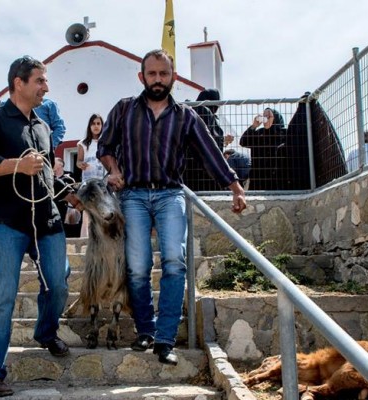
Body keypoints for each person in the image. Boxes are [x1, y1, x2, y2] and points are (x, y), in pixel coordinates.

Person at [98, 49, 247, 365]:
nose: (157, 79)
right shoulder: (124, 109)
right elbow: (105, 146)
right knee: (138, 267)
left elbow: (210, 153)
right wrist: (114, 169)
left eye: (163, 74)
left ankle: (165, 339)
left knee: (174, 261)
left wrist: (234, 186)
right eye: (152, 74)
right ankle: (145, 330)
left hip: (170, 195)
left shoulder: (186, 116)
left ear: (173, 78)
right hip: (133, 196)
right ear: (142, 77)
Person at [0, 56, 71, 397]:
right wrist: (15, 165)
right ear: (18, 83)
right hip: (7, 221)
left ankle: (45, 332)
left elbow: (44, 173)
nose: (46, 87)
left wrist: (68, 194)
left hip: (47, 220)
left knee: (59, 283)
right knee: (1, 297)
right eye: (40, 80)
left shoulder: (43, 127)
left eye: (45, 81)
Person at [0, 96, 67, 148]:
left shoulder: (49, 104)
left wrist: (48, 146)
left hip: (40, 152)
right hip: (17, 150)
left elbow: (60, 128)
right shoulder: (11, 105)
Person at [183, 88, 225, 191]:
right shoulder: (203, 111)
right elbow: (207, 137)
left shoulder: (191, 110)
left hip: (189, 166)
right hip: (204, 166)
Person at [239, 108, 287, 191]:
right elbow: (243, 142)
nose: (265, 118)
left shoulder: (284, 134)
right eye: (264, 116)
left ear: (275, 118)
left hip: (278, 178)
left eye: (268, 116)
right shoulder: (259, 133)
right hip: (258, 179)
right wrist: (254, 126)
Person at [76, 114, 107, 237]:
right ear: (89, 126)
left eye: (98, 123)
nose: (96, 126)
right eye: (93, 123)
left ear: (102, 126)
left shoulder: (105, 143)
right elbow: (78, 161)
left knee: (102, 213)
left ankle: (101, 241)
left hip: (102, 182)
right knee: (87, 215)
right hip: (88, 183)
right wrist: (81, 164)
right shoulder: (83, 144)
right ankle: (84, 241)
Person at [53, 157, 81, 238]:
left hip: (68, 206)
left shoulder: (70, 176)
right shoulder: (51, 177)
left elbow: (75, 190)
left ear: (60, 164)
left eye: (54, 162)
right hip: (55, 206)